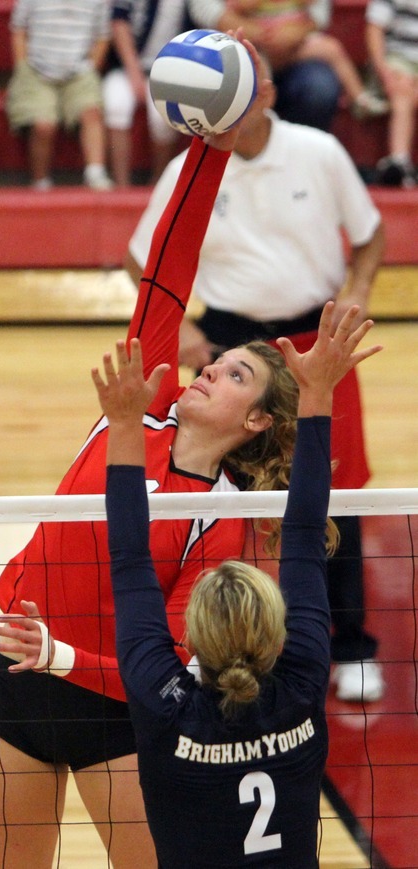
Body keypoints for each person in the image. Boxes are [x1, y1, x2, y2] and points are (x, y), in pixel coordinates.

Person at [0, 45, 304, 869]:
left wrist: (60, 655)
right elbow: (166, 273)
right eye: (212, 359)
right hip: (17, 683)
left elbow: (174, 676)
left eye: (232, 373)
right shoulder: (139, 416)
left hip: (116, 714)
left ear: (257, 419)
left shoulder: (225, 523)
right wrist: (211, 150)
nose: (205, 369)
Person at [126, 63, 386, 704]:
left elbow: (372, 234)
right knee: (222, 493)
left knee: (335, 487)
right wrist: (184, 330)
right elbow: (144, 252)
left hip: (312, 342)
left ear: (267, 92)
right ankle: (225, 644)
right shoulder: (190, 169)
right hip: (229, 346)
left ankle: (350, 645)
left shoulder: (318, 152)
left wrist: (356, 292)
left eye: (250, 82)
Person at [90, 304, 382, 867]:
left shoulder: (171, 705)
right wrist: (319, 393)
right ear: (276, 636)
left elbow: (126, 559)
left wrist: (122, 425)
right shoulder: (297, 687)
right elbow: (301, 536)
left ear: (190, 641)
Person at [186, 0, 342, 131]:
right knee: (234, 90)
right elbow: (206, 7)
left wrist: (300, 30)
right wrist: (247, 29)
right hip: (236, 49)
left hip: (297, 51)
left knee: (319, 88)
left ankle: (305, 156)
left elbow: (319, 10)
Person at [6, 0, 113, 190]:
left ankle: (95, 174)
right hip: (35, 71)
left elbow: (103, 36)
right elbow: (19, 29)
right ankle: (40, 182)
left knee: (92, 112)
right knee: (43, 125)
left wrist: (91, 67)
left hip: (80, 72)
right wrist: (23, 67)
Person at [226, 0, 388, 119]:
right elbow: (236, 6)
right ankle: (260, 119)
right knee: (257, 72)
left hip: (297, 45)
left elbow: (315, 7)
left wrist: (294, 34)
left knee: (332, 48)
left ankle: (360, 100)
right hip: (258, 45)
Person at [102, 0, 187, 186]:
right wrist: (134, 72)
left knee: (164, 115)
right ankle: (121, 184)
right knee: (116, 104)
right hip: (126, 67)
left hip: (173, 70)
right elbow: (118, 22)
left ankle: (159, 182)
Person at [366, 0, 418, 188]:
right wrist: (385, 74)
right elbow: (374, 30)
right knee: (403, 91)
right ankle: (399, 162)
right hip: (395, 61)